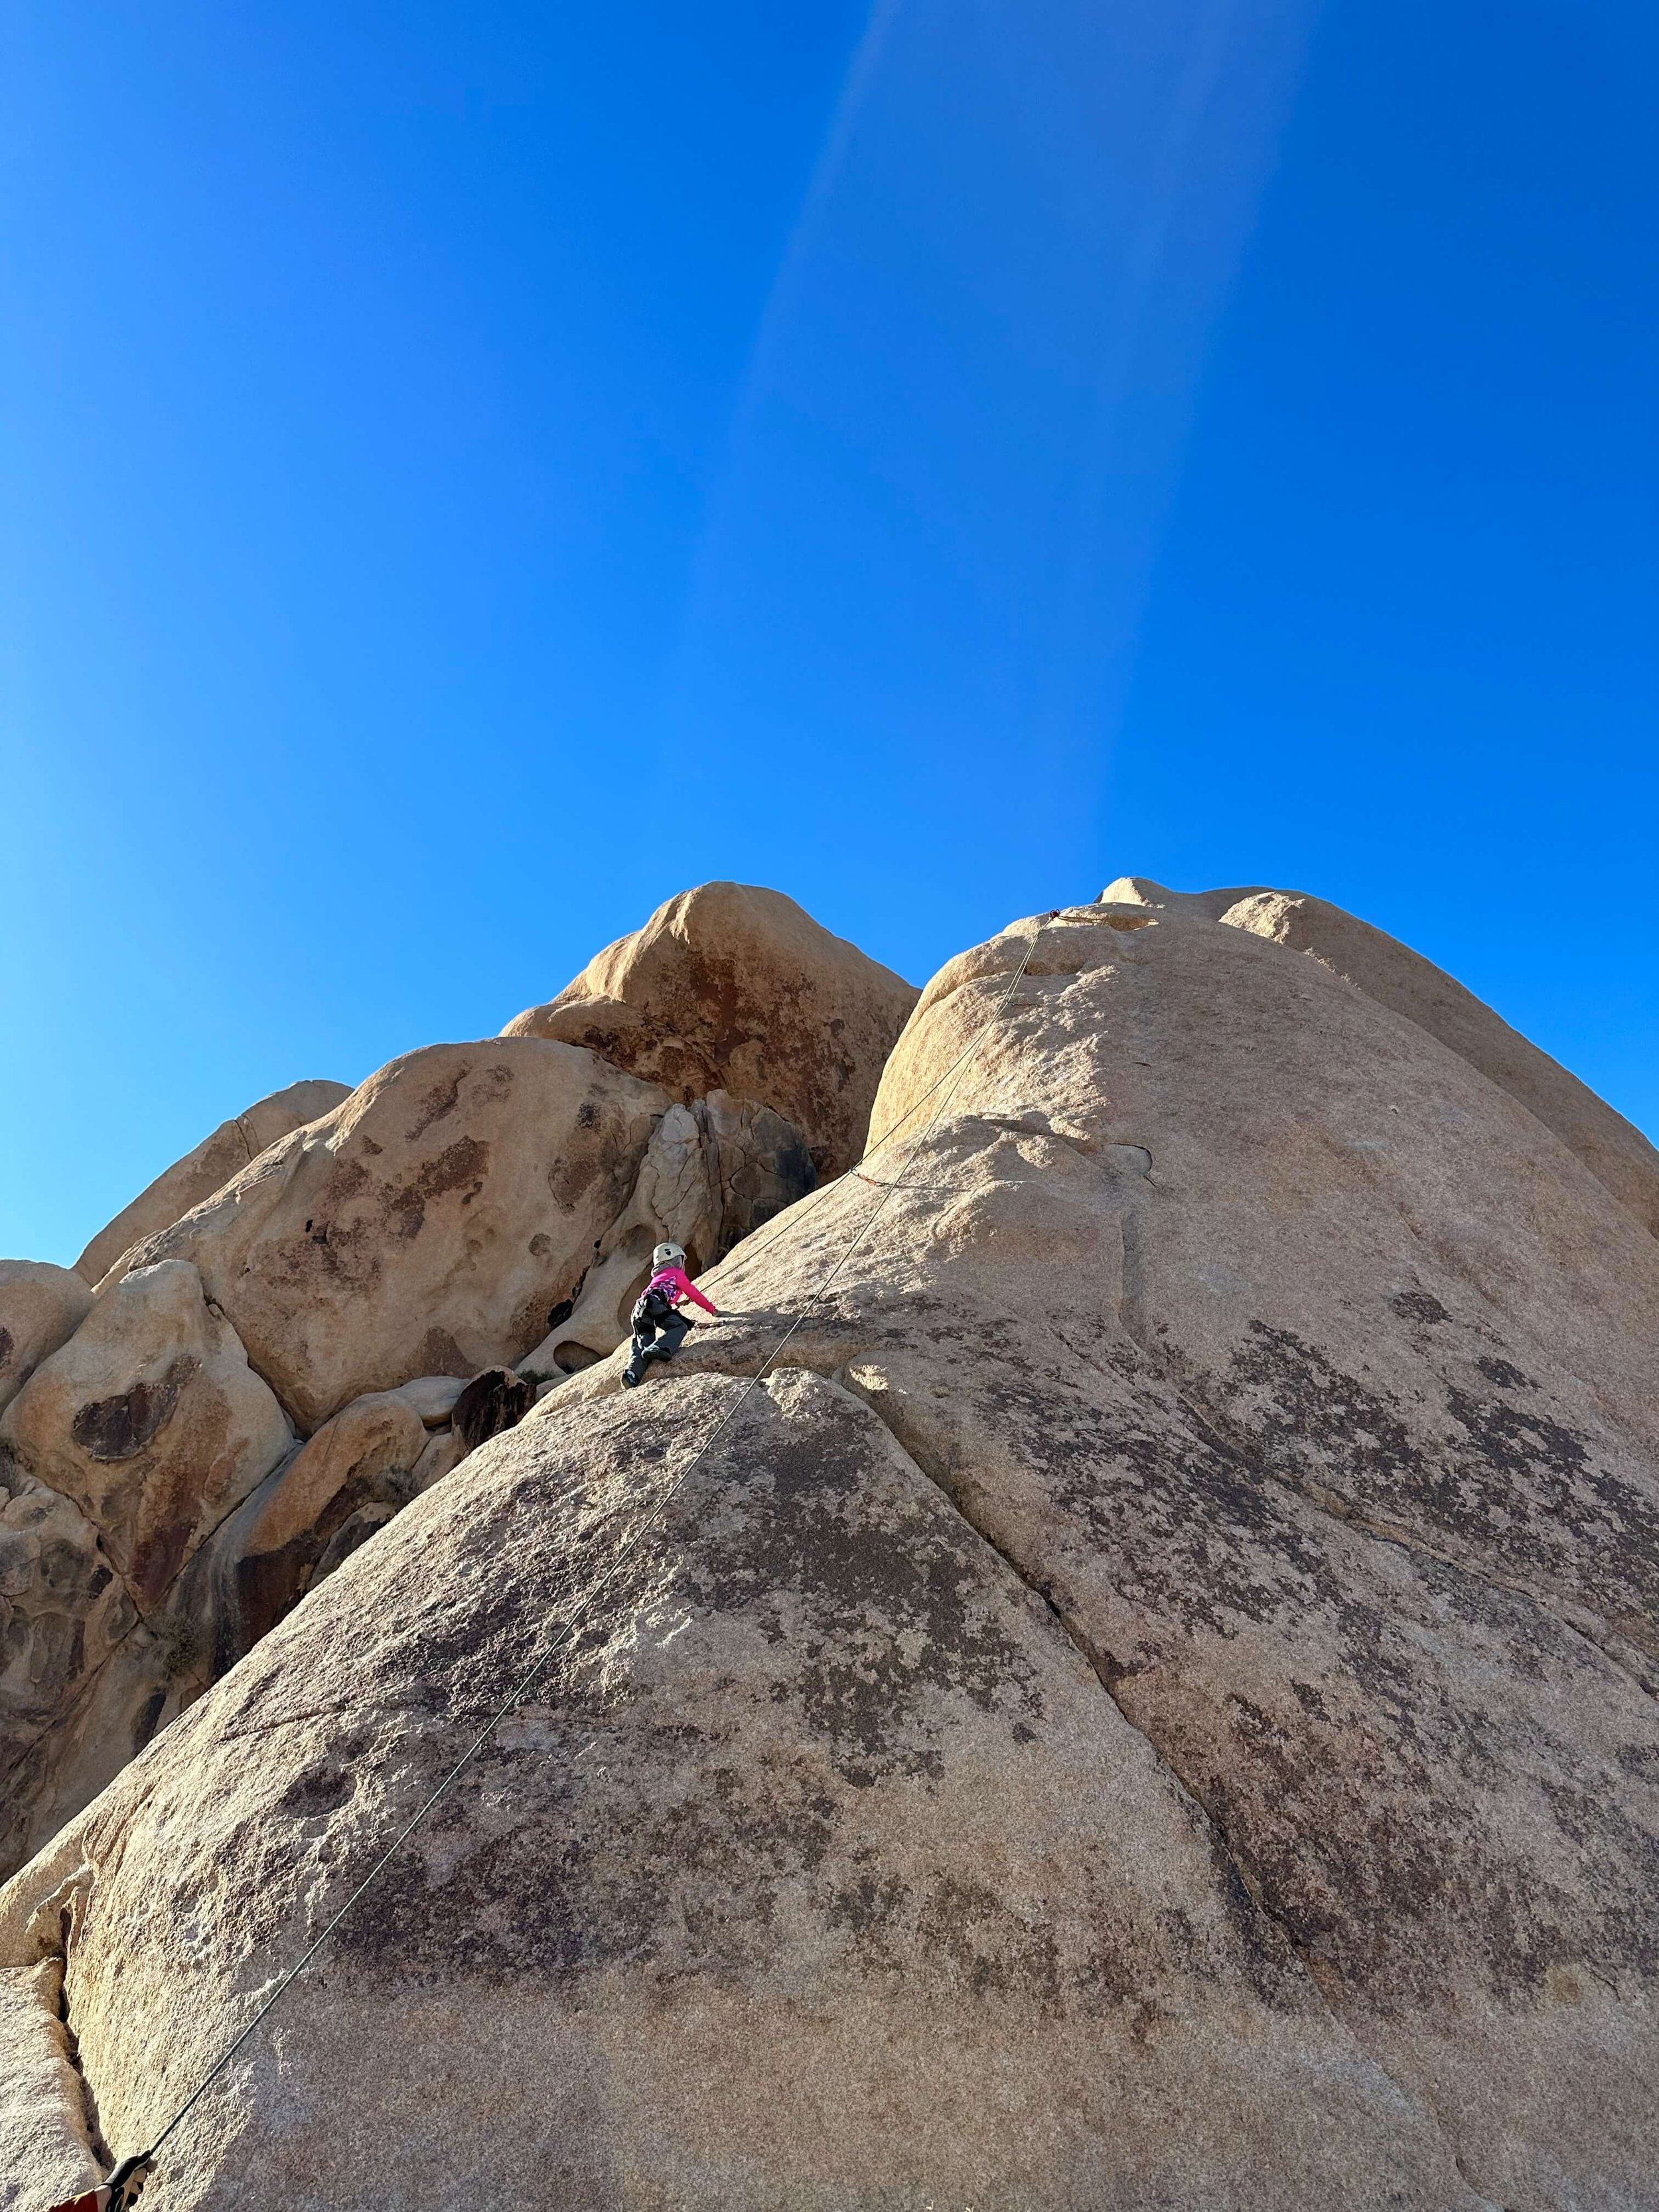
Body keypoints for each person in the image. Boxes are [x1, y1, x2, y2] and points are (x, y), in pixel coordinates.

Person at [622, 1241, 718, 1386]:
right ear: (672, 1260)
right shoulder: (676, 1273)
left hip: (639, 1309)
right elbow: (694, 1293)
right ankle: (660, 1347)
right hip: (654, 1303)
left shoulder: (658, 1278)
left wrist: (676, 1303)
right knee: (679, 1326)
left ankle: (632, 1374)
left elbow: (660, 1295)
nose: (680, 1264)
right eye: (678, 1260)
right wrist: (712, 1309)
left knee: (642, 1341)